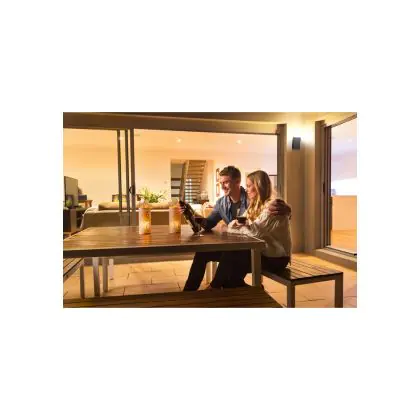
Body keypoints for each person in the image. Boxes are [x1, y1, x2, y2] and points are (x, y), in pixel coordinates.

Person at [182, 166, 291, 291]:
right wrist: (191, 214)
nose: (222, 187)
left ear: (238, 182)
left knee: (231, 258)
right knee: (204, 253)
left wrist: (288, 210)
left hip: (263, 253)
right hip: (247, 249)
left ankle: (214, 288)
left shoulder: (256, 200)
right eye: (221, 183)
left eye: (226, 182)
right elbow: (211, 223)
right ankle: (188, 293)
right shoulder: (223, 203)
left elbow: (256, 229)